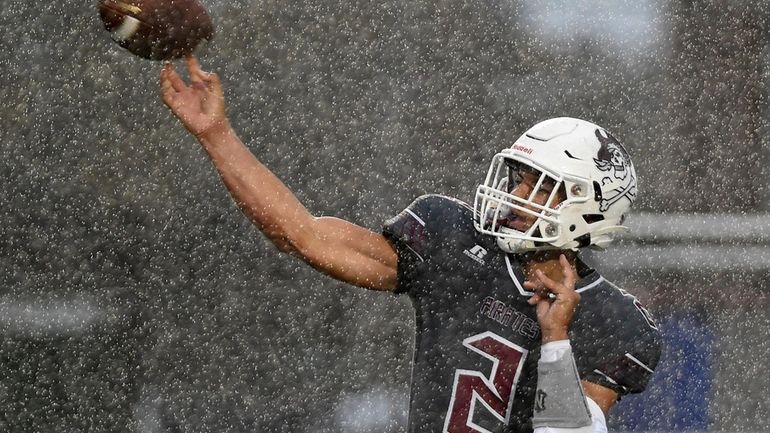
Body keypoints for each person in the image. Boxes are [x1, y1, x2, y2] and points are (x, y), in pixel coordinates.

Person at [159, 57, 661, 433]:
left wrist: (556, 341)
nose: (515, 194)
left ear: (584, 205)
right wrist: (217, 135)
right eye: (518, 178)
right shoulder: (452, 239)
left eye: (537, 185)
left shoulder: (617, 321)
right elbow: (300, 233)